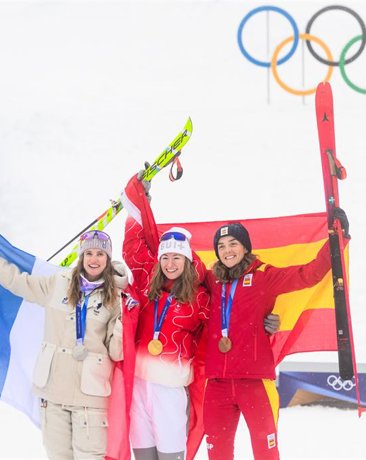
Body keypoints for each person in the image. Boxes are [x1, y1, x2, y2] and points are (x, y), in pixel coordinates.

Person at [119, 173, 280, 460]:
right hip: (139, 386)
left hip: (170, 389)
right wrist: (140, 200)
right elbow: (133, 247)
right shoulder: (146, 285)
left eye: (177, 258)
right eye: (165, 258)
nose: (170, 264)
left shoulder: (201, 298)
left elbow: (233, 318)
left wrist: (265, 323)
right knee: (142, 455)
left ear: (188, 261)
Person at [202, 216, 348, 460]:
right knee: (218, 454)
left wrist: (337, 237)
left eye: (233, 243)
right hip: (217, 384)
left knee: (266, 452)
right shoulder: (211, 281)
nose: (227, 251)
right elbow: (175, 266)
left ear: (245, 246)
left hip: (255, 382)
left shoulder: (263, 277)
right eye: (221, 246)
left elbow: (308, 274)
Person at [0, 230, 126, 459]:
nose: (94, 259)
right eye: (89, 253)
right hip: (53, 393)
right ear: (81, 256)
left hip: (91, 398)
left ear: (108, 258)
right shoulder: (59, 284)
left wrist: (125, 318)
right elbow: (17, 281)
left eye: (100, 254)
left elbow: (117, 352)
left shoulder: (116, 297)